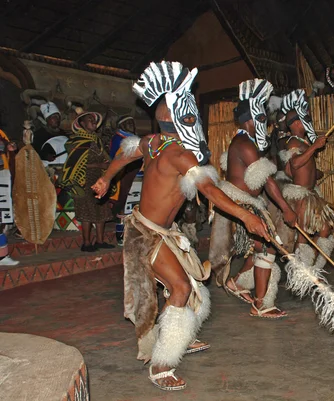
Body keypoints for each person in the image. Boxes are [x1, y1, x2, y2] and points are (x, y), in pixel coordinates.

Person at [92, 61, 269, 391]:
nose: (197, 123)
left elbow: (125, 152)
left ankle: (180, 337)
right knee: (181, 289)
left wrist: (106, 177)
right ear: (179, 119)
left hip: (159, 232)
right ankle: (161, 364)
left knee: (193, 290)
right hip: (145, 235)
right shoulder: (177, 155)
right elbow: (211, 191)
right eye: (192, 119)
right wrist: (246, 216)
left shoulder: (153, 143)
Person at [209, 78, 297, 319]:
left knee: (260, 245)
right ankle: (260, 303)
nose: (265, 124)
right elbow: (267, 181)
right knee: (267, 248)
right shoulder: (245, 144)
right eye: (260, 120)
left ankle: (237, 283)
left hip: (247, 202)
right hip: (239, 204)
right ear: (248, 119)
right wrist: (286, 208)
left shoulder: (246, 142)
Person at [277, 89, 334, 268]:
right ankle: (301, 272)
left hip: (311, 194)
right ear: (296, 123)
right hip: (301, 195)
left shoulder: (302, 143)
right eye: (306, 119)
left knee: (325, 229)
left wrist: (314, 173)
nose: (309, 123)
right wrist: (315, 147)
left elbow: (290, 170)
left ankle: (313, 267)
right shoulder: (294, 142)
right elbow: (296, 164)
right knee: (303, 234)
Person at [59, 110, 114, 252]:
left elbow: (105, 159)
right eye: (89, 119)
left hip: (99, 180)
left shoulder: (97, 141)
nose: (93, 121)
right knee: (87, 212)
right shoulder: (76, 142)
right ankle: (87, 243)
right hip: (82, 181)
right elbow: (74, 164)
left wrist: (107, 166)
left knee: (101, 210)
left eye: (94, 119)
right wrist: (99, 165)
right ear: (81, 123)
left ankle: (100, 241)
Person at [109, 115, 143, 219]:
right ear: (122, 126)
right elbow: (116, 157)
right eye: (128, 123)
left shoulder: (136, 140)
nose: (132, 126)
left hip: (135, 171)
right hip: (123, 171)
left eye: (132, 123)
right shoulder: (118, 139)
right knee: (123, 195)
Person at [0, 131, 19, 267]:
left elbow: (7, 152)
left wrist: (11, 149)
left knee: (1, 219)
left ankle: (2, 255)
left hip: (2, 176)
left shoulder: (1, 134)